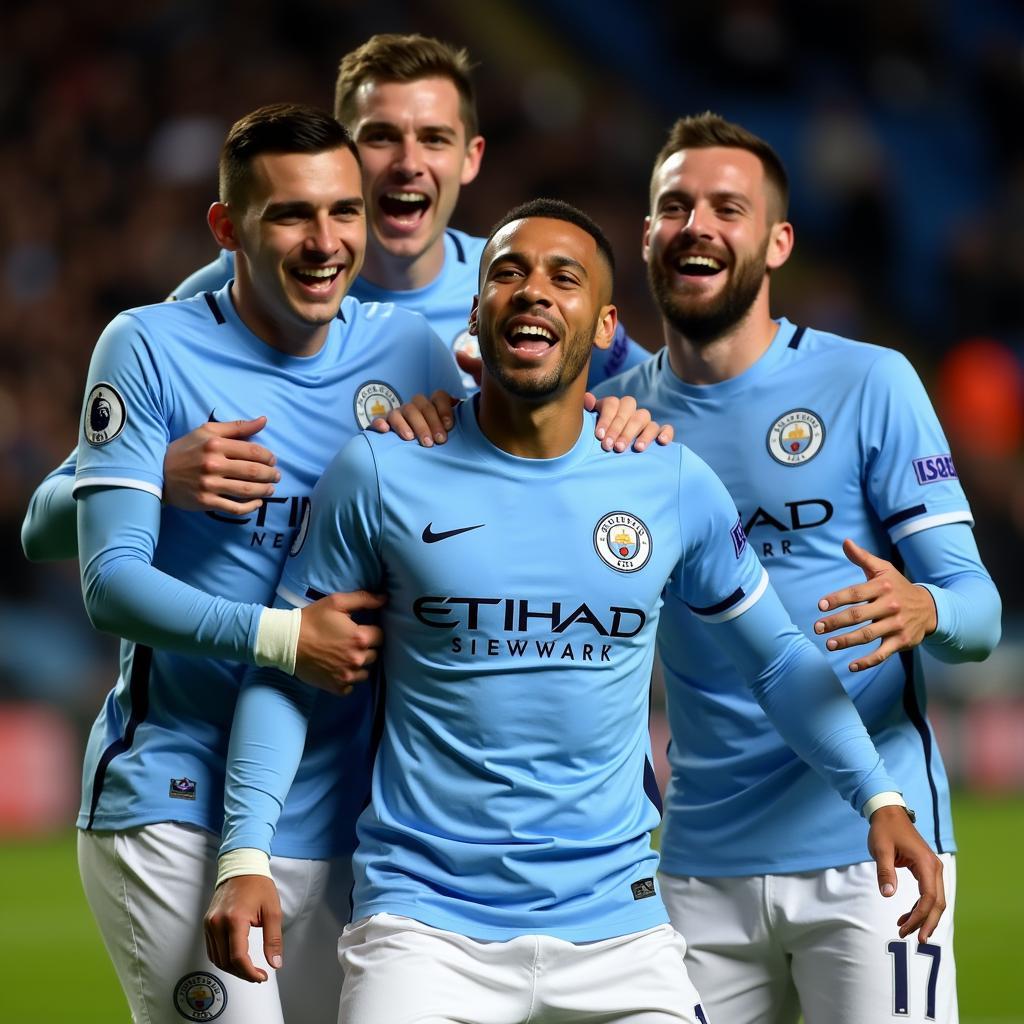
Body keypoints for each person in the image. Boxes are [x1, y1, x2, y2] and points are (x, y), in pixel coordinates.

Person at [205, 199, 943, 1024]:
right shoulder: (380, 470)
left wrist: (879, 798)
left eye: (566, 278)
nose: (533, 292)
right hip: (423, 927)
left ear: (602, 326)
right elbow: (292, 672)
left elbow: (775, 658)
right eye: (508, 274)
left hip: (618, 932)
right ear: (477, 312)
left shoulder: (667, 480)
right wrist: (245, 852)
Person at [590, 113, 1001, 1024]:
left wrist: (924, 607)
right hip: (696, 863)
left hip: (871, 850)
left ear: (776, 242)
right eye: (675, 206)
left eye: (727, 207)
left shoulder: (869, 384)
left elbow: (979, 608)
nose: (698, 223)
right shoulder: (606, 424)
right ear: (649, 235)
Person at [66, 103, 469, 1024]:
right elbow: (108, 585)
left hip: (345, 814)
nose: (323, 242)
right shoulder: (149, 346)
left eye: (343, 212)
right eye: (290, 215)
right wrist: (289, 637)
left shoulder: (407, 352)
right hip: (175, 797)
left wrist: (622, 420)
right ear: (227, 228)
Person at [169, 33, 649, 397]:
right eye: (381, 137)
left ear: (470, 158)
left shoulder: (524, 286)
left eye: (435, 139)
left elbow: (668, 392)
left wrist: (624, 412)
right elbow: (114, 436)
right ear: (342, 154)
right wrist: (167, 473)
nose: (408, 164)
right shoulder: (240, 284)